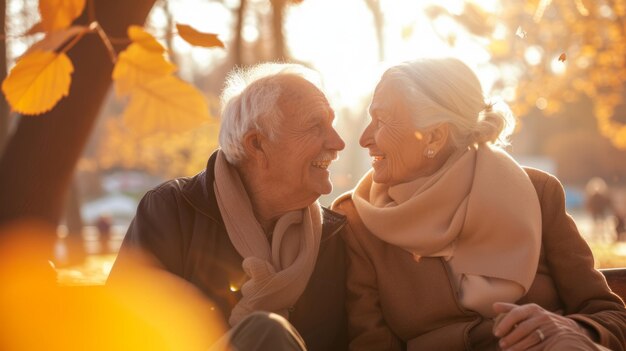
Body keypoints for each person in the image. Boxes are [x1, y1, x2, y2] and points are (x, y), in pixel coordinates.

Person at [332, 58, 626, 350]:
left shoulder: (538, 194)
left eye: (381, 120)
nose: (363, 138)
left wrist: (574, 329)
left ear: (434, 136)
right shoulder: (358, 220)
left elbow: (612, 316)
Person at [108, 63, 348, 350]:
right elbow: (121, 334)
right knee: (266, 331)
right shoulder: (171, 212)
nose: (338, 143)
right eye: (315, 126)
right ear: (257, 144)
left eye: (332, 124)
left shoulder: (334, 238)